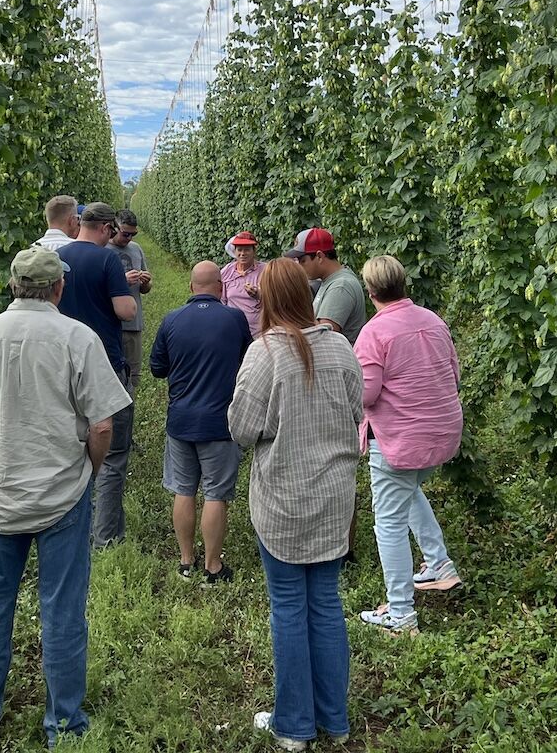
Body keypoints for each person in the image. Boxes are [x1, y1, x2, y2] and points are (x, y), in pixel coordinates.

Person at [0, 246, 131, 747]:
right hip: (59, 495)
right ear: (58, 288)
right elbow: (102, 423)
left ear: (13, 285)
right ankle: (64, 726)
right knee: (62, 611)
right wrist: (88, 472)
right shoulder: (76, 336)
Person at [228, 260, 363, 752]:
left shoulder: (264, 354)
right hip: (333, 500)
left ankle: (294, 726)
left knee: (288, 608)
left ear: (266, 300)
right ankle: (335, 718)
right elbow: (356, 410)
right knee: (326, 605)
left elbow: (241, 429)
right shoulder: (341, 348)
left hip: (283, 499)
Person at [350, 255, 464, 635]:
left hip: (399, 441)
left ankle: (400, 613)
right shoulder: (434, 321)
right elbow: (454, 373)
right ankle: (438, 564)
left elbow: (367, 394)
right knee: (408, 490)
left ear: (370, 291)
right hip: (442, 433)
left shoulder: (374, 333)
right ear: (403, 283)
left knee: (389, 524)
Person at [149, 260, 252, 584]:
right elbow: (247, 361)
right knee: (216, 494)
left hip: (181, 420)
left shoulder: (172, 320)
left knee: (184, 490)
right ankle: (212, 566)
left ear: (191, 287)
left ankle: (185, 560)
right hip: (220, 423)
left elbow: (157, 368)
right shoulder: (235, 318)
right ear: (221, 289)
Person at [58, 201, 137, 548]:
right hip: (103, 362)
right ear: (106, 228)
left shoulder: (59, 256)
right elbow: (124, 309)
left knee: (67, 447)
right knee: (113, 456)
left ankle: (66, 526)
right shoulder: (106, 259)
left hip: (61, 365)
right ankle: (105, 536)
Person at [288, 228, 366, 343]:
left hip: (341, 359)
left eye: (302, 260)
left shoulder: (340, 286)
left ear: (319, 256)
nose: (299, 266)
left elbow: (324, 337)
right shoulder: (330, 281)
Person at [110, 209, 153, 395]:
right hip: (111, 322)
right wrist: (122, 280)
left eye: (133, 234)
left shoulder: (136, 249)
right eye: (125, 233)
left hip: (133, 324)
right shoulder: (103, 250)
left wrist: (145, 282)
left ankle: (128, 414)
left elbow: (146, 289)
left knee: (132, 374)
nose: (128, 238)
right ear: (113, 227)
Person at [219, 231, 265, 338]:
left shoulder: (265, 271)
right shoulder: (227, 271)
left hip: (259, 332)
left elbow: (275, 300)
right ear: (234, 252)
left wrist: (258, 295)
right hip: (234, 329)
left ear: (254, 251)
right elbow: (222, 301)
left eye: (247, 249)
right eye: (239, 250)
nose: (242, 253)